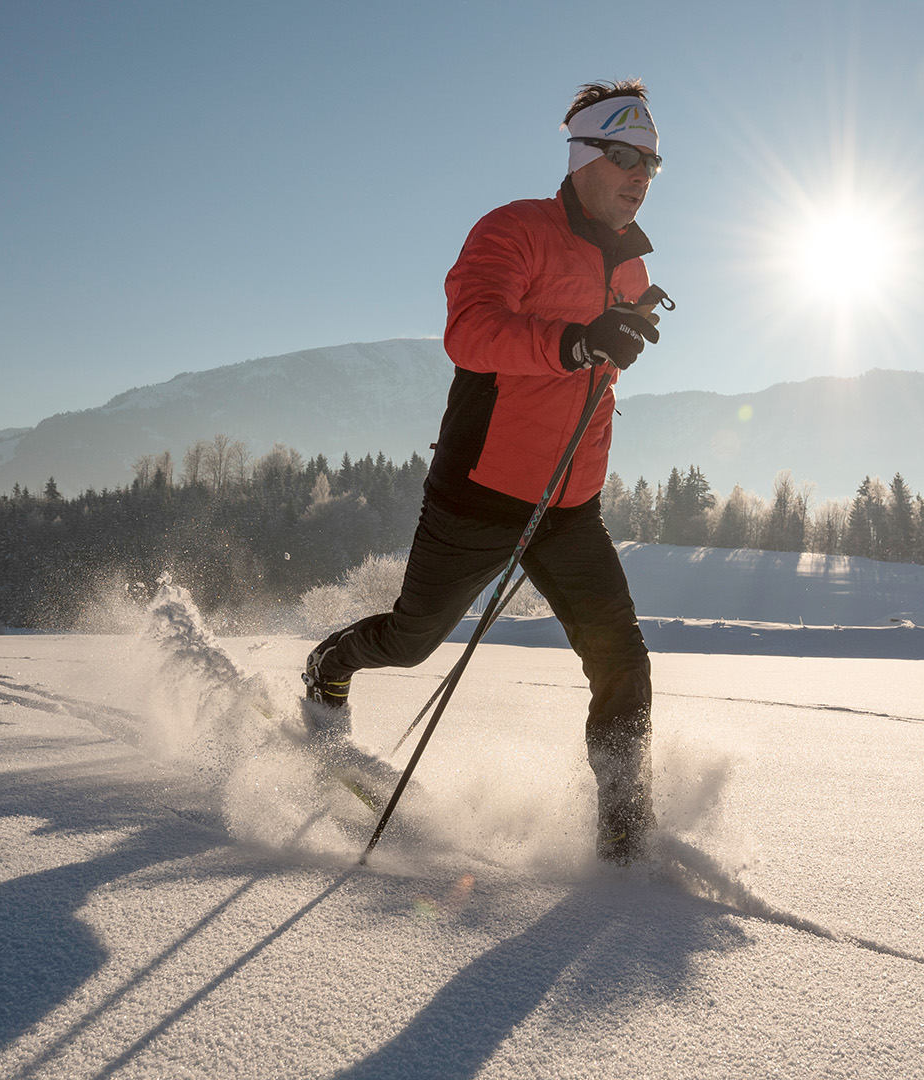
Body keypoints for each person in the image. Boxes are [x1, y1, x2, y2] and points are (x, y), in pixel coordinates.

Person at [302, 79, 666, 865]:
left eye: (654, 163)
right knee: (411, 641)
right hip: (481, 490)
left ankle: (626, 842)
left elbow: (589, 374)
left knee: (622, 662)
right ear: (582, 157)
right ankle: (331, 664)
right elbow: (471, 332)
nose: (642, 174)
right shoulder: (514, 230)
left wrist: (618, 336)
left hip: (570, 504)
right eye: (627, 155)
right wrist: (576, 340)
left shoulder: (632, 272)